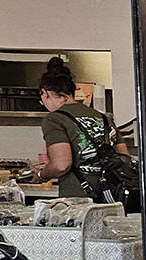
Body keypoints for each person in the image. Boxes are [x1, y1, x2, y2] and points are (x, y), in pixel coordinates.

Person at [27, 58, 131, 204]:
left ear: (46, 93)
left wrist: (41, 175)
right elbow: (124, 158)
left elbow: (61, 164)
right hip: (111, 197)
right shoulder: (104, 118)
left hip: (77, 201)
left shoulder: (54, 119)